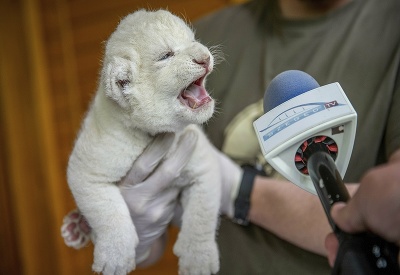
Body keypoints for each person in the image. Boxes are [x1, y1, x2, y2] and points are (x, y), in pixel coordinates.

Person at [118, 0, 400, 273]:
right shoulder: (197, 46)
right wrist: (138, 234)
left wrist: (239, 191)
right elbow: (153, 235)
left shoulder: (390, 25)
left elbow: (387, 209)